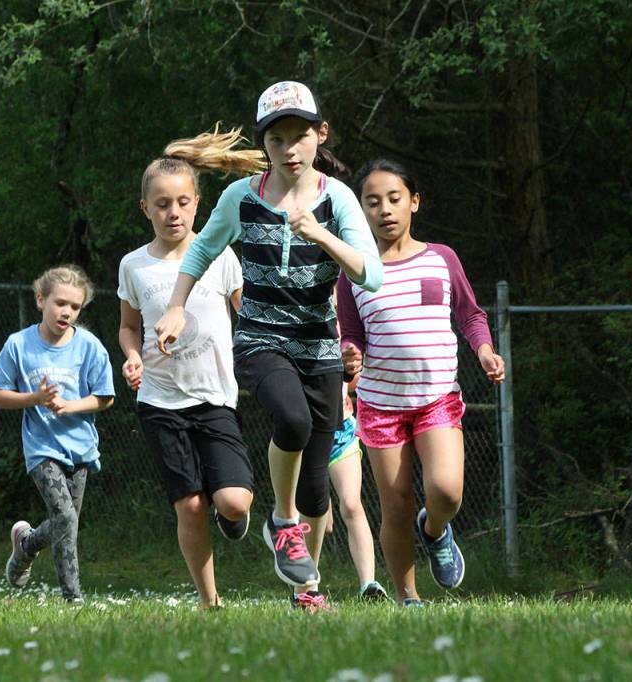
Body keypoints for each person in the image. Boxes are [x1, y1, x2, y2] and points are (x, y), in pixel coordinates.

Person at [153, 81, 383, 611]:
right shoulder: (241, 198)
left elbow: (371, 275)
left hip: (320, 346)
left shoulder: (339, 198)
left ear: (319, 135)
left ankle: (308, 589)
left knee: (318, 496)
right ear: (265, 147)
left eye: (299, 137)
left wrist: (322, 236)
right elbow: (200, 252)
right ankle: (281, 523)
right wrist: (175, 306)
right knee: (292, 421)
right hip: (262, 338)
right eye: (276, 140)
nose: (289, 149)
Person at [337, 159, 505, 605]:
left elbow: (469, 315)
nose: (385, 210)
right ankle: (408, 598)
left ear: (414, 202)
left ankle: (434, 529)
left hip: (436, 397)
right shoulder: (353, 271)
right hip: (380, 404)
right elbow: (351, 335)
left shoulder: (441, 258)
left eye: (394, 199)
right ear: (361, 210)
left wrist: (484, 350)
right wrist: (349, 355)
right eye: (372, 202)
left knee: (446, 491)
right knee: (395, 505)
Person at [118, 155, 253, 609]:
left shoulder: (221, 256)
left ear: (198, 204)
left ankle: (233, 517)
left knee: (234, 502)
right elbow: (128, 326)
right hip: (159, 402)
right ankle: (209, 599)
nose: (172, 212)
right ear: (145, 209)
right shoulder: (133, 266)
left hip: (215, 398)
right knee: (191, 506)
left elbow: (248, 314)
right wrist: (133, 356)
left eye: (181, 202)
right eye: (161, 204)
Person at [0, 265, 114, 603]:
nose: (67, 312)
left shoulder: (89, 346)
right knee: (64, 516)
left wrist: (69, 406)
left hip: (80, 448)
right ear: (40, 300)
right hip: (41, 447)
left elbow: (105, 396)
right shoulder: (18, 345)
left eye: (75, 307)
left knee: (66, 522)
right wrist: (36, 399)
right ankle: (72, 596)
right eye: (60, 303)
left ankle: (27, 544)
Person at [325, 374, 389, 600]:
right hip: (306, 434)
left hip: (341, 431)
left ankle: (368, 585)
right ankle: (303, 588)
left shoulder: (345, 338)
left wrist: (352, 377)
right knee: (324, 525)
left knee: (351, 504)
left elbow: (354, 378)